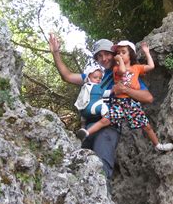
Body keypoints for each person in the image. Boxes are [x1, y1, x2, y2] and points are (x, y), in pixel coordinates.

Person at [48, 34, 154, 184]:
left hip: (108, 126)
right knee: (80, 167)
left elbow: (148, 97)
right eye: (99, 56)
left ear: (114, 54)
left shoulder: (127, 74)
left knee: (101, 168)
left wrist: (124, 89)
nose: (103, 58)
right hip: (88, 127)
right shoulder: (96, 76)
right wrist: (56, 53)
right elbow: (67, 76)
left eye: (107, 54)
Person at [76, 40, 173, 153]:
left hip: (132, 103)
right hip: (119, 103)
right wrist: (118, 60)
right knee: (106, 120)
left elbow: (151, 66)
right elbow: (122, 71)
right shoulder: (116, 69)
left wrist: (146, 52)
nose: (120, 55)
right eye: (118, 52)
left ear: (130, 54)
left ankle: (158, 145)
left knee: (146, 125)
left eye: (123, 52)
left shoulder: (136, 68)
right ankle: (86, 132)